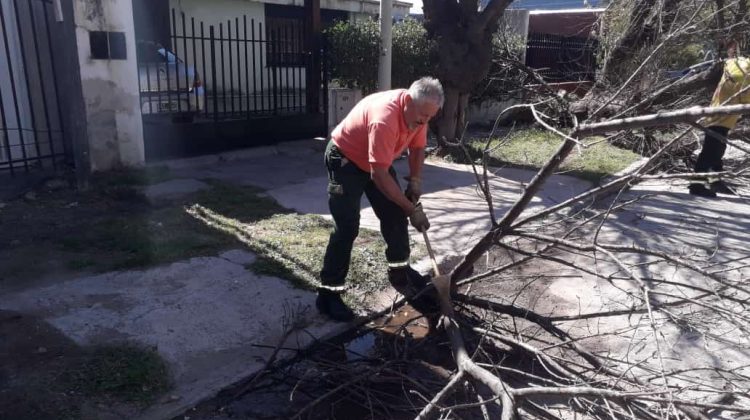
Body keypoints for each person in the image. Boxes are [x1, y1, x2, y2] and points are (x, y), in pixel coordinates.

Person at [316, 77, 444, 322]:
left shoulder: (419, 112)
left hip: (376, 161)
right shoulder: (384, 118)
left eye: (430, 117)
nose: (424, 123)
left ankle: (400, 272)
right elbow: (379, 174)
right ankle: (328, 294)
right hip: (346, 159)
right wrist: (411, 208)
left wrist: (415, 182)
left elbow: (417, 148)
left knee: (394, 215)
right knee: (347, 226)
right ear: (407, 101)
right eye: (423, 117)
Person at [689, 39, 750, 198]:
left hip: (719, 111)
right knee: (711, 150)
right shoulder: (745, 71)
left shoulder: (738, 62)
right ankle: (697, 185)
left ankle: (715, 181)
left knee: (718, 148)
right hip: (722, 115)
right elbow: (745, 94)